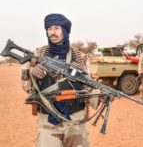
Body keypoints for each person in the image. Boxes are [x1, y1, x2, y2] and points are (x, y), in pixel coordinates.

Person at [21, 13, 99, 147]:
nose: (52, 32)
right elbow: (27, 87)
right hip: (49, 124)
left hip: (75, 123)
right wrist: (32, 75)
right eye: (49, 28)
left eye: (57, 28)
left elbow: (88, 87)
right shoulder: (37, 55)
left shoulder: (80, 57)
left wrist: (100, 95)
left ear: (65, 30)